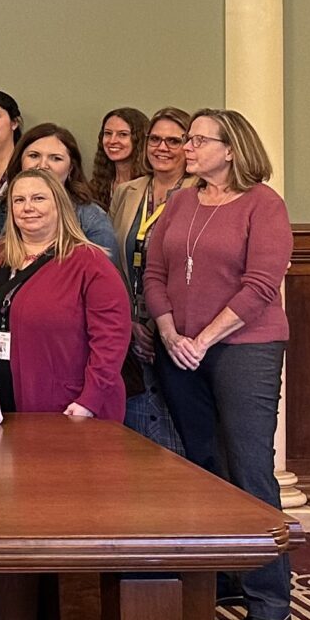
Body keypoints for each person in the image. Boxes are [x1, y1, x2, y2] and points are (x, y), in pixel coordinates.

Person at [142, 108, 294, 620]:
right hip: (179, 348)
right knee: (201, 463)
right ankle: (228, 571)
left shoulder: (263, 204)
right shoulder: (180, 200)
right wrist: (169, 334)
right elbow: (154, 272)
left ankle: (270, 597)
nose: (187, 147)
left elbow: (260, 285)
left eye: (198, 140)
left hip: (243, 348)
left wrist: (203, 339)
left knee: (248, 467)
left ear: (231, 149)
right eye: (187, 139)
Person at [0, 169, 132, 421]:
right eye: (19, 200)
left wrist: (90, 400)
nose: (27, 207)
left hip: (65, 409)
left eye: (38, 198)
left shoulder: (90, 264)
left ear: (60, 205)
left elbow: (110, 341)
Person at [109, 108, 196, 453]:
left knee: (180, 421)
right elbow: (113, 258)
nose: (162, 147)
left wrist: (163, 326)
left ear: (188, 146)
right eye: (155, 139)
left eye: (174, 141)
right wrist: (128, 321)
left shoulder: (198, 192)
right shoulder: (127, 192)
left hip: (180, 324)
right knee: (138, 420)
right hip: (130, 320)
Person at [1, 123, 120, 254]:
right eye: (34, 156)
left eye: (55, 158)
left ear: (71, 168)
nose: (42, 165)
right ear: (20, 162)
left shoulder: (92, 218)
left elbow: (105, 270)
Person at [88, 107, 150, 209]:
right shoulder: (96, 186)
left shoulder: (150, 185)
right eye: (108, 133)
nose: (112, 140)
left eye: (122, 134)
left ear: (139, 139)